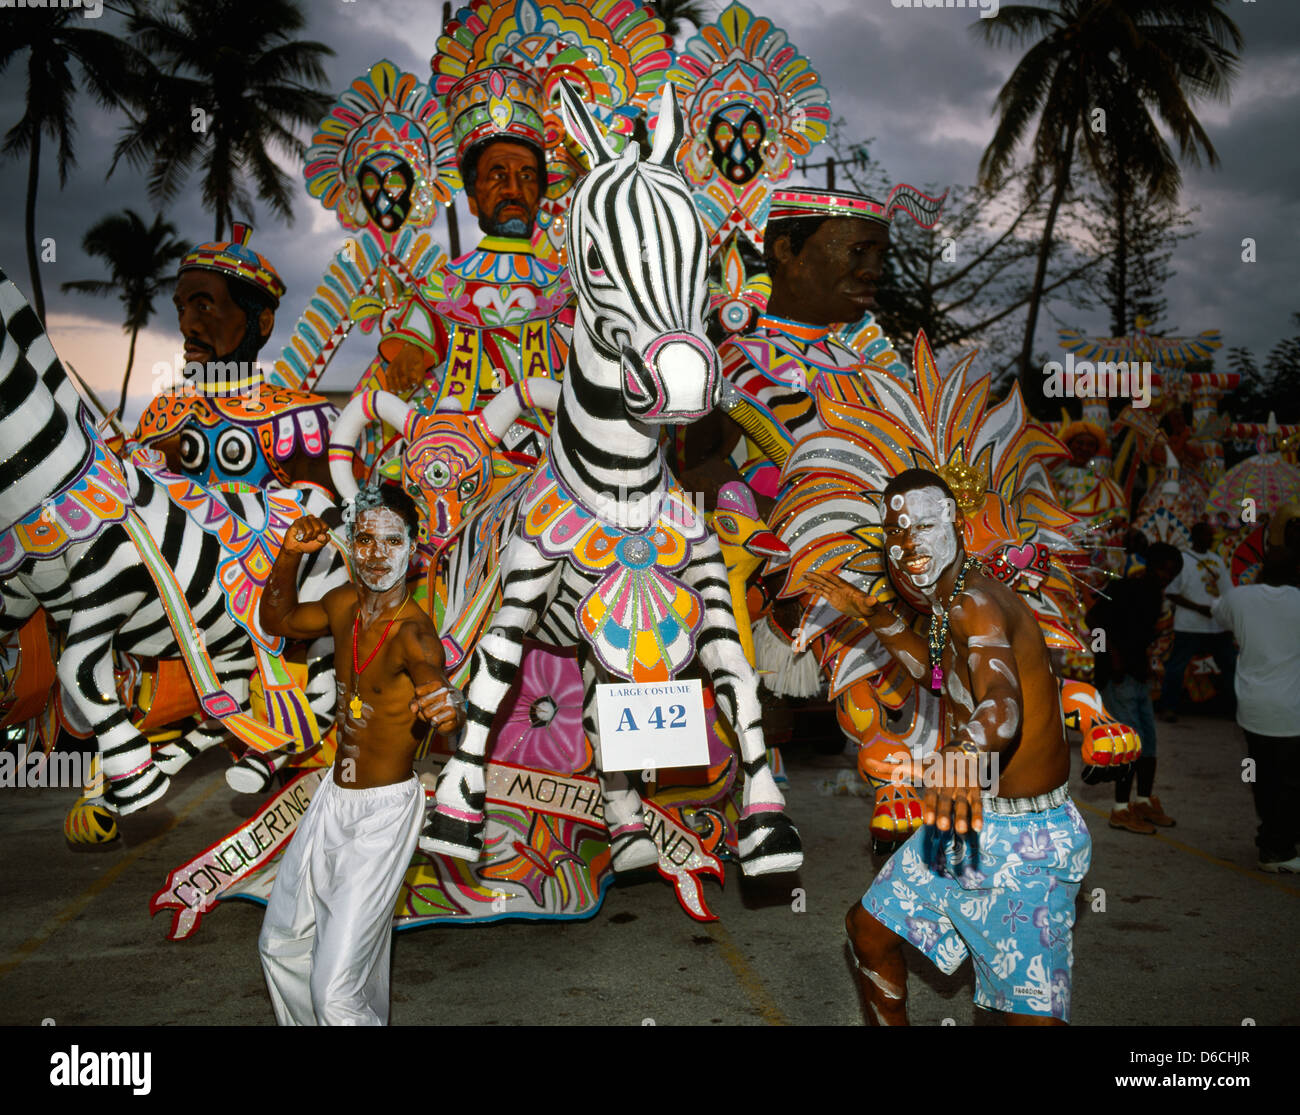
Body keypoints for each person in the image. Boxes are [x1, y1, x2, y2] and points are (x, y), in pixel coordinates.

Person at [806, 468, 1091, 1026]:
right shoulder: (950, 600)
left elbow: (1000, 704)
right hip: (966, 820)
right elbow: (937, 676)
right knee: (868, 930)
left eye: (925, 526)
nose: (908, 545)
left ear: (955, 524)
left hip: (1024, 845)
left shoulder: (974, 604)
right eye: (895, 534)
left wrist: (962, 756)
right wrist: (879, 617)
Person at [256, 483, 466, 1025]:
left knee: (335, 990)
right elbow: (277, 623)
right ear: (349, 543)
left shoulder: (414, 633)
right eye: (365, 539)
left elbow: (432, 677)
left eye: (390, 541)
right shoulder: (342, 603)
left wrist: (445, 704)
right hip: (331, 800)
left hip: (381, 816)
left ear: (414, 550)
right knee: (279, 944)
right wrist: (288, 556)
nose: (376, 554)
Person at [371, 65, 569, 455]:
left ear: (541, 193)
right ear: (473, 196)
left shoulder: (569, 291)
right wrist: (413, 352)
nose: (514, 188)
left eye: (527, 176)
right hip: (452, 452)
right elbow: (402, 366)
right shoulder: (438, 290)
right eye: (497, 175)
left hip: (556, 457)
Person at [134, 223, 336, 492]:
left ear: (263, 323)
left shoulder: (304, 421)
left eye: (204, 307)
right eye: (182, 308)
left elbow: (328, 520)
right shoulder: (164, 413)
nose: (186, 325)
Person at [1212, 547, 1300, 873]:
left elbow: (1218, 611)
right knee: (1290, 783)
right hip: (1292, 710)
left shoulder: (1239, 598)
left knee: (1264, 777)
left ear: (1261, 570)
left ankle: (1270, 838)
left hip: (1252, 708)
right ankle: (1278, 848)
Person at [1087, 541, 1185, 833]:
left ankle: (1142, 801)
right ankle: (1120, 810)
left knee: (1149, 744)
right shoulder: (1126, 588)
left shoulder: (1155, 594)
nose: (1167, 576)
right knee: (1128, 747)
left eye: (1173, 572)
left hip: (1138, 677)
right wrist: (1112, 658)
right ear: (1151, 564)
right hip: (1118, 678)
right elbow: (1094, 619)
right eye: (1163, 569)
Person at [1156, 521, 1236, 721]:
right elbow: (1172, 593)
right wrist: (1198, 608)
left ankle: (1236, 709)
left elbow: (1228, 592)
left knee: (1230, 667)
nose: (1211, 539)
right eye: (1207, 535)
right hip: (1189, 625)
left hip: (1217, 626)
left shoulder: (1217, 561)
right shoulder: (1182, 561)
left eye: (1212, 535)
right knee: (1177, 667)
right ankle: (1168, 707)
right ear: (1196, 536)